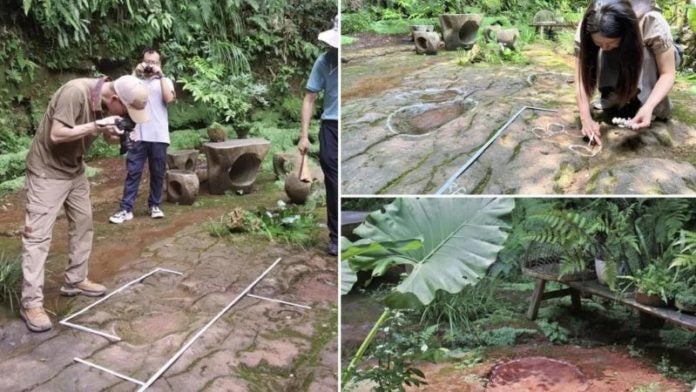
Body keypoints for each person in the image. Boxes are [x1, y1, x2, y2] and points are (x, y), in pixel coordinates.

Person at [20, 75, 149, 332]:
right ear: (114, 100)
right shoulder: (75, 92)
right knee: (37, 238)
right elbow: (57, 135)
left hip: (75, 170)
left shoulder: (103, 103)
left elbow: (104, 134)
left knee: (83, 224)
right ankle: (31, 303)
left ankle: (75, 280)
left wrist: (115, 133)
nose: (130, 116)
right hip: (47, 171)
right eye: (127, 111)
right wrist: (97, 126)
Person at [575, 0, 679, 145]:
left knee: (644, 54)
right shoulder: (588, 25)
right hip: (621, 62)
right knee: (603, 53)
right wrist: (585, 118)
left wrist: (648, 107)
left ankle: (647, 101)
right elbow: (581, 79)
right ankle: (616, 96)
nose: (604, 47)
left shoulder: (651, 21)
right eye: (599, 44)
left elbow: (667, 73)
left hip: (652, 61)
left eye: (610, 43)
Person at [110, 48, 176, 224]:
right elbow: (124, 95)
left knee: (157, 172)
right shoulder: (136, 82)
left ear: (160, 64)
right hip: (138, 134)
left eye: (154, 62)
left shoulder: (166, 81)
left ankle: (155, 205)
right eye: (148, 62)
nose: (150, 65)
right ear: (142, 61)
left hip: (159, 135)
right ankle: (126, 209)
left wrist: (160, 75)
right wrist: (135, 72)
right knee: (133, 172)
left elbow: (169, 99)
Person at [298, 15, 339, 256]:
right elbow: (309, 97)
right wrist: (304, 136)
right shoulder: (324, 62)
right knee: (333, 181)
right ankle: (335, 237)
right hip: (331, 128)